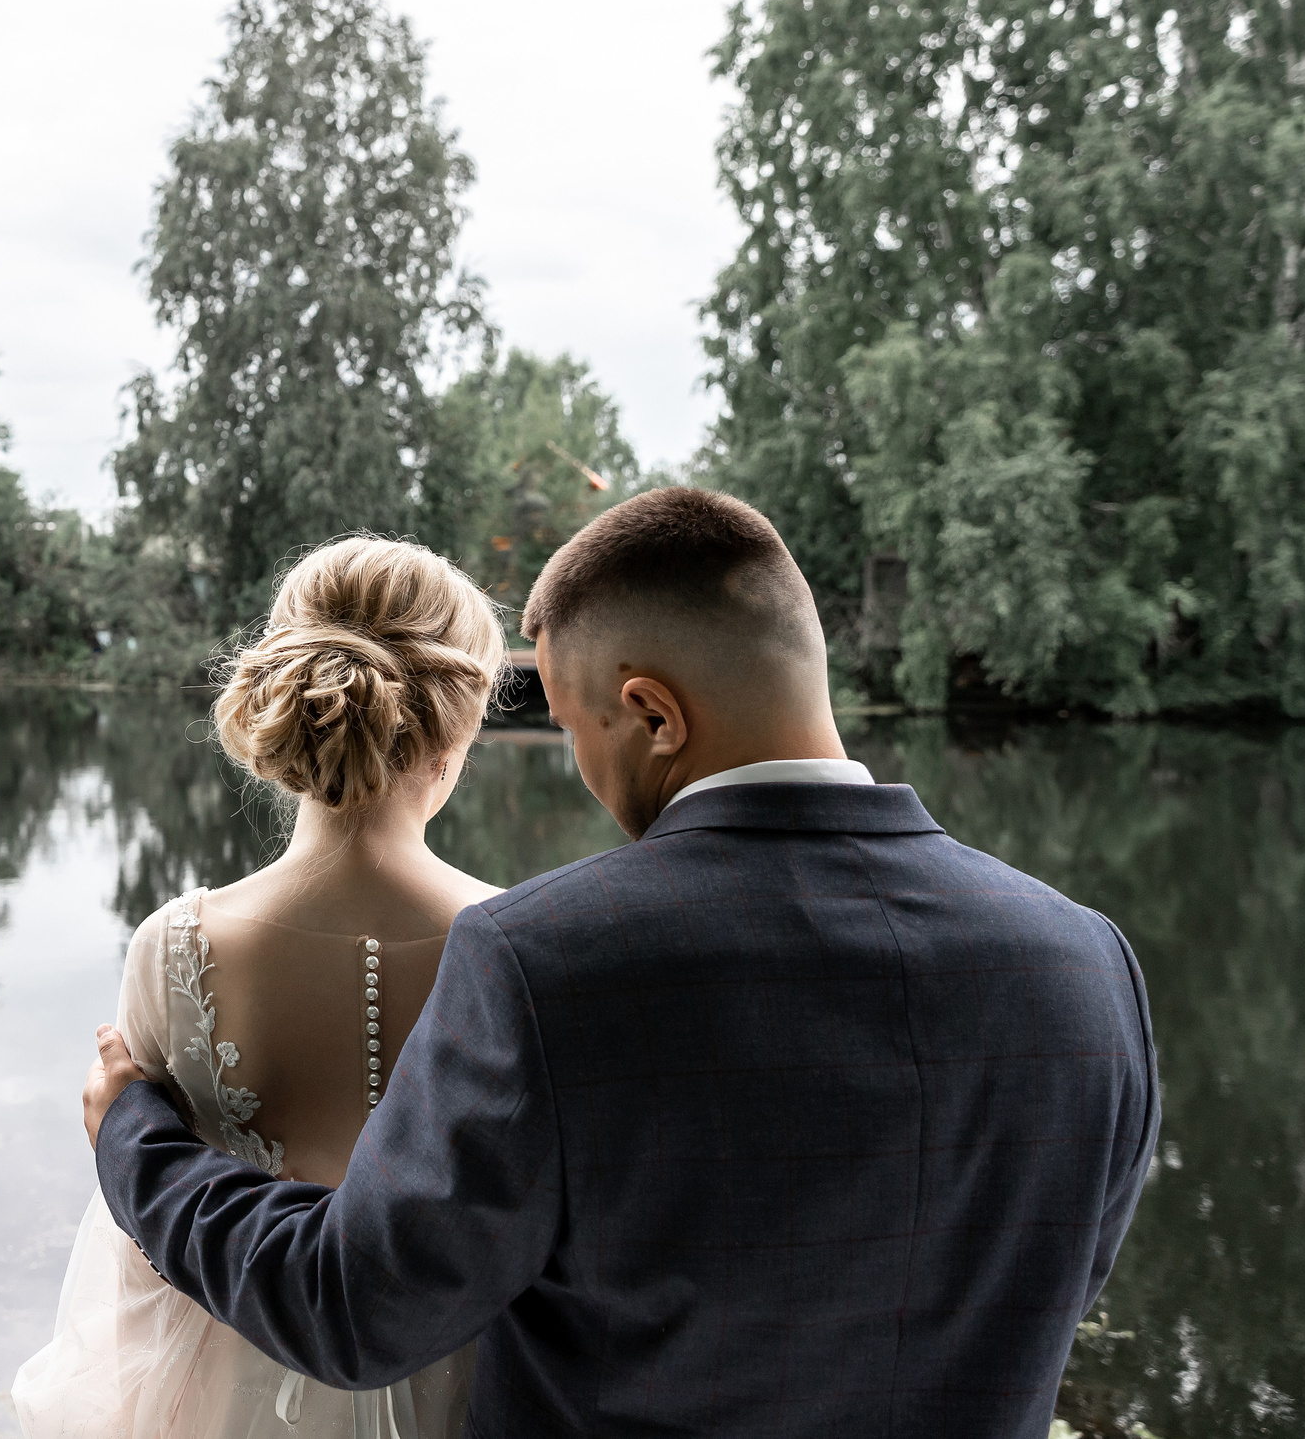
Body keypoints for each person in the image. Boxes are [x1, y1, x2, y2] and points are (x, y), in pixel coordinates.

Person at [82, 488, 1161, 1438]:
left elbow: (357, 1307)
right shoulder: (1084, 964)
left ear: (650, 711)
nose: (582, 769)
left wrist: (136, 1137)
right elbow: (1055, 1283)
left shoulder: (547, 960)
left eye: (569, 726)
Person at [15, 535, 514, 1438]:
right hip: (467, 1388)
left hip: (231, 1390)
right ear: (459, 724)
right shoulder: (529, 943)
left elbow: (141, 1250)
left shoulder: (177, 946)